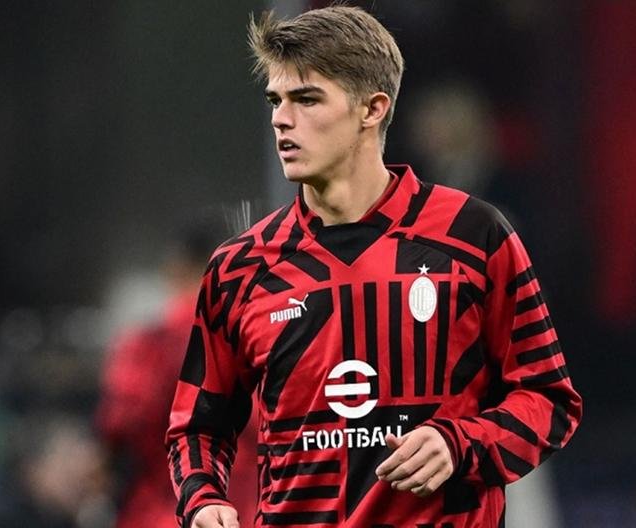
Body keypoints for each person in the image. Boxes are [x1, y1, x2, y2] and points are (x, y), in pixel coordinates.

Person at [166, 6, 582, 527]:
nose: (281, 119)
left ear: (372, 108)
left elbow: (548, 399)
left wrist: (461, 444)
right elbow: (197, 427)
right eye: (276, 100)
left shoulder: (473, 236)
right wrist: (203, 499)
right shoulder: (240, 268)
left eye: (307, 99)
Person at [96, 218, 258, 526]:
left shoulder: (149, 346)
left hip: (167, 514)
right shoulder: (265, 341)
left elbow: (118, 426)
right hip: (251, 515)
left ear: (175, 269)